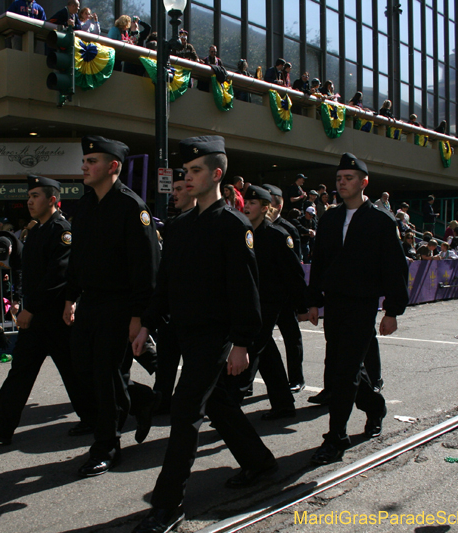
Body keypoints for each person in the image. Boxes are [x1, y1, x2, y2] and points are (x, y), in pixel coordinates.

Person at [131, 136, 277, 533]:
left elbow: (246, 291)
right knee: (217, 406)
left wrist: (242, 343)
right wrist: (146, 322)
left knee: (184, 412)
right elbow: (166, 284)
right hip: (183, 331)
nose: (188, 177)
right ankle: (259, 461)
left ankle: (168, 504)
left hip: (217, 337)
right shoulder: (179, 226)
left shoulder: (234, 226)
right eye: (186, 171)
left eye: (195, 171)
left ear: (216, 174)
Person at [0, 175, 89, 446]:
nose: (30, 201)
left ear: (52, 200)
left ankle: (100, 416)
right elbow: (28, 273)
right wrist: (21, 301)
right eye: (29, 196)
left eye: (36, 196)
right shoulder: (37, 230)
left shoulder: (62, 230)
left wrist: (29, 309)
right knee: (21, 371)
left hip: (53, 317)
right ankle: (1, 426)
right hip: (36, 316)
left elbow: (57, 276)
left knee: (74, 371)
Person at [63, 136, 159, 477]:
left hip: (120, 305)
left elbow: (145, 267)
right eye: (85, 160)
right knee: (82, 368)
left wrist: (139, 317)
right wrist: (70, 297)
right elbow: (77, 259)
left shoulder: (132, 208)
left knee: (106, 375)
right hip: (90, 302)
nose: (84, 167)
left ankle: (107, 446)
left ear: (113, 166)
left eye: (91, 161)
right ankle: (142, 400)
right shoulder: (85, 205)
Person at [306, 152, 409, 464]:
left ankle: (335, 438)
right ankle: (375, 406)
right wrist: (313, 300)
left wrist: (392, 311)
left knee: (345, 371)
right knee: (343, 367)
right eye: (339, 178)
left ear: (364, 182)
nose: (342, 183)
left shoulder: (381, 220)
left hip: (362, 305)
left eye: (349, 178)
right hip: (335, 304)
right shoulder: (330, 219)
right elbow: (319, 261)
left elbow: (395, 268)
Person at [239, 185, 307, 419]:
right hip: (251, 301)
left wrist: (304, 306)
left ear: (266, 208)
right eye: (246, 202)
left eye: (253, 203)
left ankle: (228, 403)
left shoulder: (278, 236)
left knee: (251, 346)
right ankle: (283, 404)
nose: (247, 206)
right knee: (267, 353)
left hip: (270, 303)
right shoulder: (245, 233)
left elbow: (294, 274)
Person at [153, 169, 197, 414]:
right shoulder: (172, 225)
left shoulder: (211, 222)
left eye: (179, 189)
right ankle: (161, 402)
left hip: (197, 313)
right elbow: (165, 272)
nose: (174, 194)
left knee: (196, 370)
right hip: (172, 310)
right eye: (174, 189)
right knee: (166, 362)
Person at [264, 184, 306, 392]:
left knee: (291, 337)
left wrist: (299, 301)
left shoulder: (287, 230)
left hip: (284, 295)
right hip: (264, 295)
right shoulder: (253, 229)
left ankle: (296, 377)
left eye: (268, 201)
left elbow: (294, 268)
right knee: (259, 340)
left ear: (278, 205)